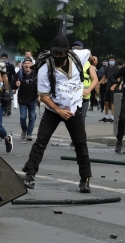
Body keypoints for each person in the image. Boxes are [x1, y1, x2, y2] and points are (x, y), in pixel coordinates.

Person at [20, 35, 92, 192]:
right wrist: (59, 111)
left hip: (74, 109)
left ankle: (85, 179)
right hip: (54, 109)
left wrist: (93, 60)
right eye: (55, 53)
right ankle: (30, 175)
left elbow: (89, 53)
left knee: (81, 144)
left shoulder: (78, 56)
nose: (57, 57)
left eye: (60, 54)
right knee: (41, 141)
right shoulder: (45, 67)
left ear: (67, 52)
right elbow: (44, 96)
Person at [13, 57, 38, 141]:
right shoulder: (19, 74)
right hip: (22, 100)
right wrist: (16, 84)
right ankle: (24, 130)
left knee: (32, 117)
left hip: (33, 99)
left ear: (31, 64)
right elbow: (12, 85)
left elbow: (40, 86)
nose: (27, 65)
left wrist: (40, 96)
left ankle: (29, 134)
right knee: (23, 117)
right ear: (23, 65)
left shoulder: (35, 74)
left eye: (29, 63)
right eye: (25, 63)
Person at [99, 56, 118, 122]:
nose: (111, 61)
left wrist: (114, 86)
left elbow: (119, 78)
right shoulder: (107, 68)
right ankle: (106, 116)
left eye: (113, 60)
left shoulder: (117, 69)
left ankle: (112, 117)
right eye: (110, 60)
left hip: (114, 88)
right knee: (106, 102)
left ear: (115, 61)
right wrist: (99, 83)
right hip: (107, 87)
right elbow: (104, 76)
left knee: (112, 103)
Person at [81, 55, 99, 124]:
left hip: (85, 94)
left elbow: (95, 79)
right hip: (76, 95)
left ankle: (81, 133)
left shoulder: (90, 66)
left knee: (82, 116)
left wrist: (88, 90)